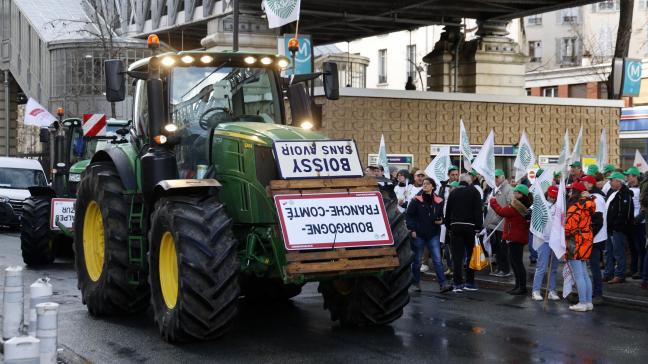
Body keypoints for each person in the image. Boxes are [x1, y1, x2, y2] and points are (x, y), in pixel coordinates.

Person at [406, 177, 453, 293]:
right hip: (419, 234)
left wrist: (441, 221)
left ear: (432, 186)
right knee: (417, 261)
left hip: (433, 234)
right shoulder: (416, 200)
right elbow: (409, 216)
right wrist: (412, 229)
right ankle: (416, 284)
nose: (425, 185)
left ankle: (443, 284)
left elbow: (441, 217)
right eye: (424, 184)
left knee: (437, 260)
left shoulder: (439, 200)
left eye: (427, 184)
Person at [489, 184, 533, 295]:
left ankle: (521, 287)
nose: (513, 194)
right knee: (515, 263)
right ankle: (518, 286)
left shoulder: (516, 206)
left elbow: (501, 212)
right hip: (515, 236)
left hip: (515, 237)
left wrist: (493, 201)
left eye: (515, 192)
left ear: (520, 194)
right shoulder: (520, 205)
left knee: (517, 263)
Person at [445, 173, 484, 292]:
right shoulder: (474, 192)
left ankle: (457, 283)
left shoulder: (453, 193)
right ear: (469, 182)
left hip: (455, 226)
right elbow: (478, 210)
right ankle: (469, 282)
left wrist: (449, 226)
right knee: (470, 255)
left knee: (457, 256)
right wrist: (478, 227)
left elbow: (448, 211)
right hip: (470, 227)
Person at [564, 182, 595, 312]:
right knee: (584, 274)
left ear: (575, 192)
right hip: (586, 241)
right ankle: (588, 302)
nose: (569, 193)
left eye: (571, 191)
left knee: (579, 275)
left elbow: (568, 228)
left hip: (575, 242)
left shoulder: (574, 207)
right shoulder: (588, 205)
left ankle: (582, 302)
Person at [530, 185, 560, 301]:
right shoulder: (541, 205)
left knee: (553, 268)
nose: (552, 198)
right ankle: (535, 290)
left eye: (554, 197)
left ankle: (552, 290)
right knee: (541, 266)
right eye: (550, 196)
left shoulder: (559, 206)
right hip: (544, 240)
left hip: (555, 240)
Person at [580, 175, 607, 305]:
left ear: (590, 185)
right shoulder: (592, 197)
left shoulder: (597, 198)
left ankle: (598, 294)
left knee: (595, 266)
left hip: (595, 239)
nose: (582, 185)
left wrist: (589, 236)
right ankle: (590, 292)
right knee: (590, 266)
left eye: (584, 183)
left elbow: (598, 221)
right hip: (592, 237)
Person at [605, 172, 634, 284]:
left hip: (618, 229)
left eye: (611, 180)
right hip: (610, 227)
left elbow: (624, 213)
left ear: (618, 181)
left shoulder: (625, 194)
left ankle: (620, 275)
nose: (610, 182)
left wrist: (617, 225)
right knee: (609, 251)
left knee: (619, 252)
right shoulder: (613, 192)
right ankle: (608, 273)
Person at [484, 169, 513, 278]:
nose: (495, 179)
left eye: (497, 177)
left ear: (502, 177)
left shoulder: (508, 189)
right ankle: (500, 268)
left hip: (502, 224)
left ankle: (505, 270)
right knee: (496, 248)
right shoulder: (495, 189)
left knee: (503, 248)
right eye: (494, 177)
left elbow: (511, 204)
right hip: (494, 223)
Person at [624, 167, 646, 280]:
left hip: (639, 223)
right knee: (631, 247)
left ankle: (640, 270)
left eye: (629, 176)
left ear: (635, 176)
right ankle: (633, 269)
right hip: (630, 222)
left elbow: (643, 207)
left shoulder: (641, 189)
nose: (627, 177)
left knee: (640, 248)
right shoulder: (628, 188)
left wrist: (637, 219)